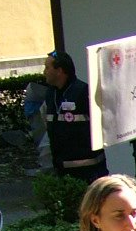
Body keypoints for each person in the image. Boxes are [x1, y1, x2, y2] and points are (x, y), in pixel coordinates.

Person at [42, 50, 108, 184]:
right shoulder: (50, 95)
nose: (44, 72)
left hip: (89, 171)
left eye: (47, 68)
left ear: (59, 71)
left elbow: (102, 124)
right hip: (62, 169)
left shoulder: (83, 92)